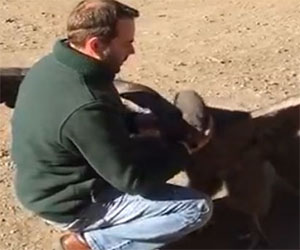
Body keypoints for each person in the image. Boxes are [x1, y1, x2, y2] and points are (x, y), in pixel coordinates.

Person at [11, 0, 213, 249]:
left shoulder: (54, 66)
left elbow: (99, 122)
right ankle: (90, 242)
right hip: (71, 203)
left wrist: (135, 122)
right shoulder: (85, 105)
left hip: (43, 184)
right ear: (96, 45)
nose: (132, 51)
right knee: (195, 209)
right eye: (126, 43)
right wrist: (184, 149)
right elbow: (133, 181)